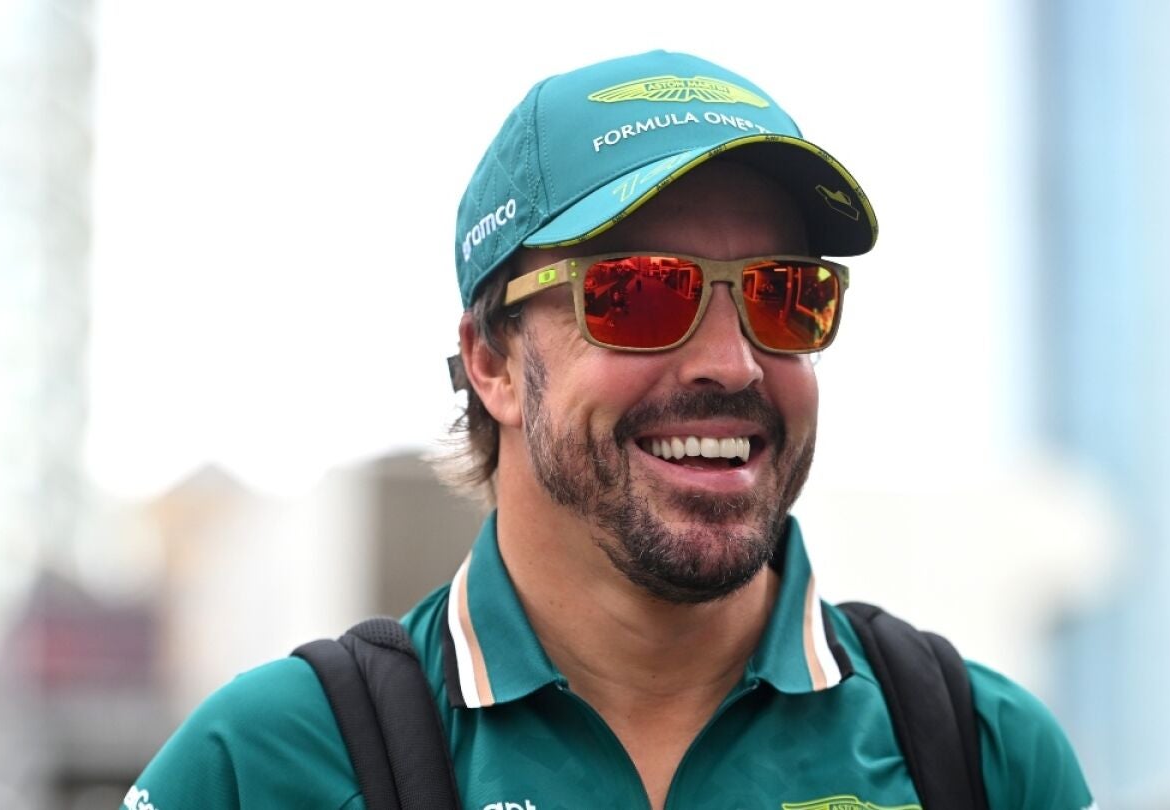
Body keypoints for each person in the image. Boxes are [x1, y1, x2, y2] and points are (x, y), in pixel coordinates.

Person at [123, 50, 1095, 810]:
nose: (734, 363)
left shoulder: (983, 754)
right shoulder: (268, 764)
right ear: (492, 361)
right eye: (640, 294)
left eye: (785, 295)